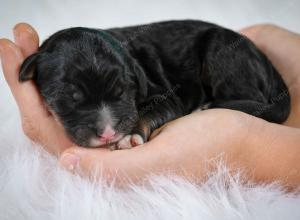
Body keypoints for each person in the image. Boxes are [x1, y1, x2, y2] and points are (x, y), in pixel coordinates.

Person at [0, 23, 299, 189]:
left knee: (221, 48)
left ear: (132, 77)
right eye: (75, 100)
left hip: (215, 43)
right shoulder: (47, 65)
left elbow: (168, 101)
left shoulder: (130, 64)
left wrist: (143, 123)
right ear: (33, 72)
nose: (107, 128)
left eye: (119, 94)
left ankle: (244, 103)